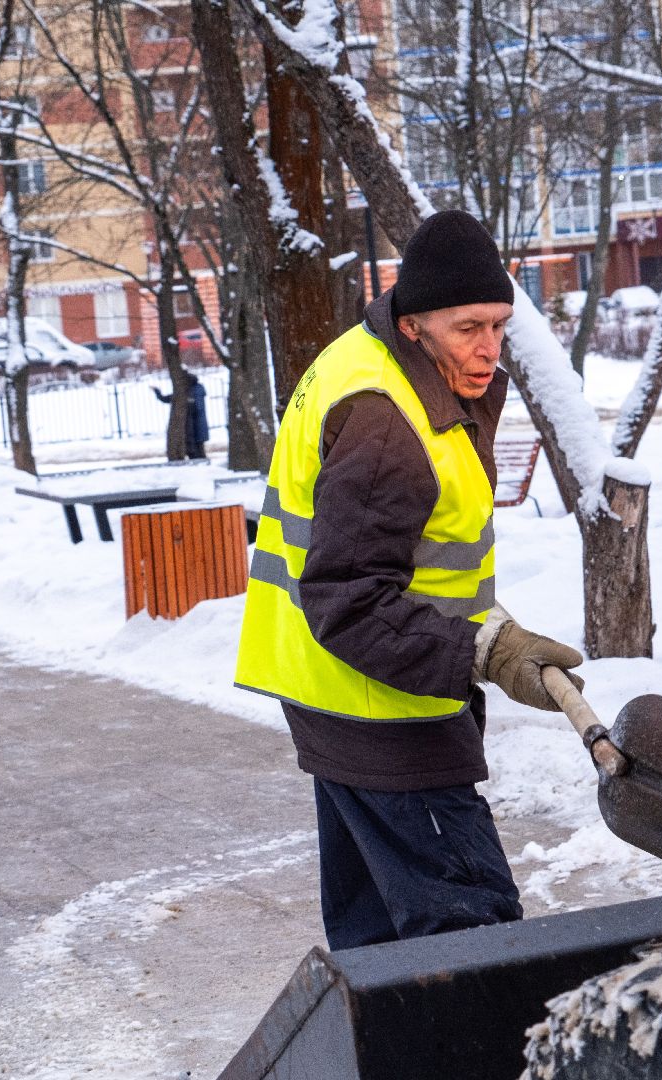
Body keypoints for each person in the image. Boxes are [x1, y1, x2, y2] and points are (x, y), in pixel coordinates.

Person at [235, 209, 584, 951]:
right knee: (473, 939)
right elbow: (350, 600)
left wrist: (492, 631)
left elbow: (411, 556)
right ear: (415, 323)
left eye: (499, 325)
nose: (488, 347)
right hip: (384, 714)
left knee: (380, 948)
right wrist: (482, 651)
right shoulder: (385, 421)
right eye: (468, 328)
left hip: (344, 696)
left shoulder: (378, 363)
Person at [153, 372, 210, 460]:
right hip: (198, 425)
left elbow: (172, 399)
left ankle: (199, 461)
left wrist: (158, 394)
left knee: (195, 448)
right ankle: (201, 461)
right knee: (199, 447)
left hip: (193, 425)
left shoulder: (189, 391)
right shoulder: (197, 389)